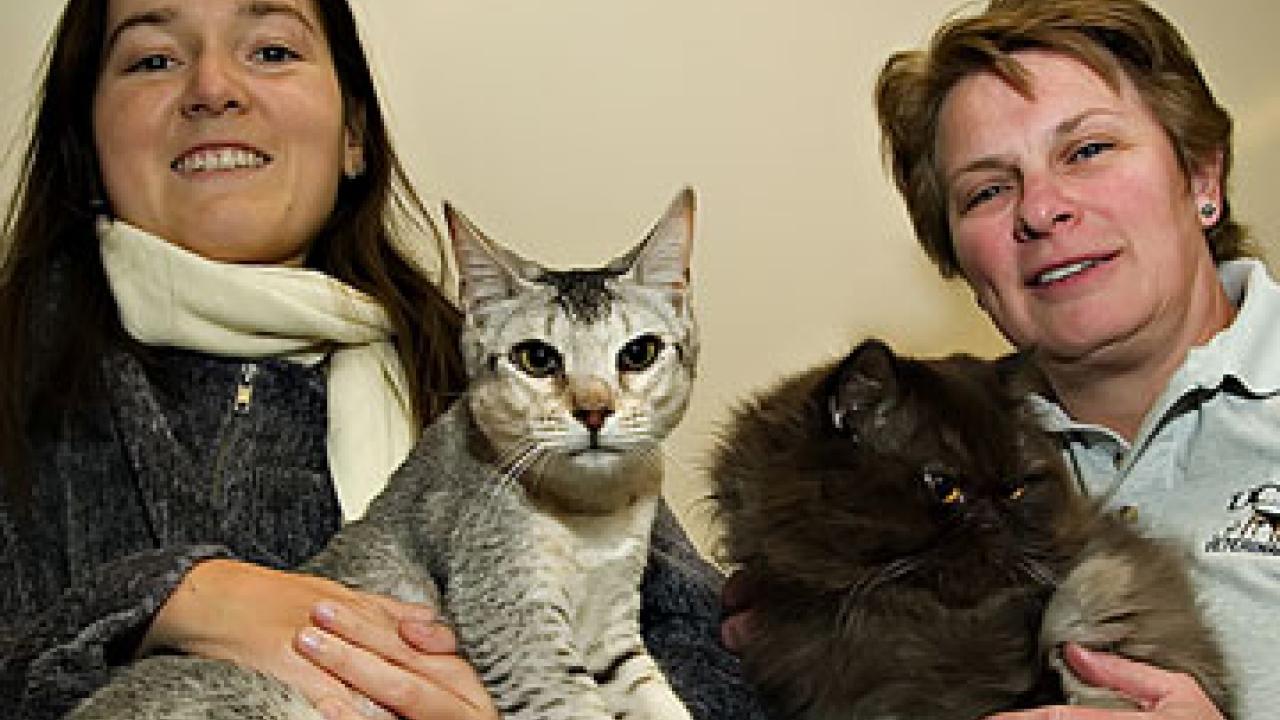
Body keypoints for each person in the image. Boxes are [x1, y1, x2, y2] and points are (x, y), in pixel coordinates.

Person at [0, 2, 762, 719]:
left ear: (354, 132)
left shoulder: (494, 385)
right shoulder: (17, 375)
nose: (212, 88)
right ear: (85, 138)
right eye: (153, 59)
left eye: (270, 49)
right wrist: (164, 600)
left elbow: (732, 669)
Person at [872, 0, 1276, 718]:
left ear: (1203, 180)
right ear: (962, 260)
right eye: (988, 190)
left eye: (1087, 150)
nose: (1040, 209)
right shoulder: (912, 475)